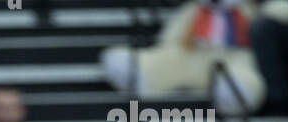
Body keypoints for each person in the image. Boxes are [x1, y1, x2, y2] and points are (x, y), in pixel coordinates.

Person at [101, 1, 267, 114]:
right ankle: (143, 71)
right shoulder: (194, 11)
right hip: (190, 55)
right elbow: (171, 39)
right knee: (170, 58)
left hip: (234, 58)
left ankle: (235, 90)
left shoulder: (248, 12)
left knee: (241, 70)